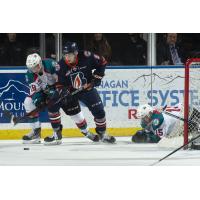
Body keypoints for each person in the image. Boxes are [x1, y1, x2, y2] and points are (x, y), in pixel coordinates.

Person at [22, 53, 99, 145]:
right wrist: (38, 100)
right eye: (31, 68)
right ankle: (37, 132)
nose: (33, 70)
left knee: (76, 115)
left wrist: (64, 90)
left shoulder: (51, 65)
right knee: (28, 102)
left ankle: (86, 131)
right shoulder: (30, 74)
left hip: (64, 90)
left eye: (35, 67)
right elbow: (35, 91)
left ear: (39, 63)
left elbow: (64, 77)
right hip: (47, 93)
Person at [56, 42, 116, 143]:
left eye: (69, 55)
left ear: (75, 53)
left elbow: (103, 62)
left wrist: (97, 77)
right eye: (65, 55)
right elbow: (58, 83)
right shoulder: (60, 65)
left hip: (87, 89)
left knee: (100, 112)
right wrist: (63, 91)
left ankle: (102, 133)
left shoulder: (86, 56)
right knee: (77, 117)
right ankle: (86, 132)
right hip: (71, 93)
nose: (67, 57)